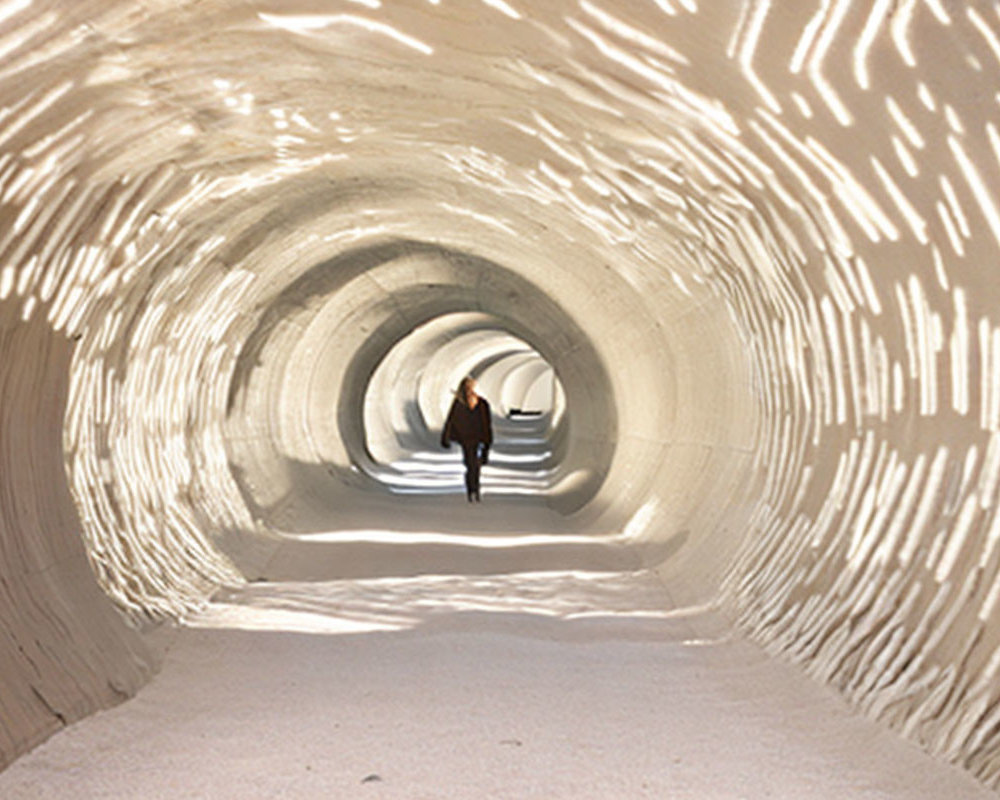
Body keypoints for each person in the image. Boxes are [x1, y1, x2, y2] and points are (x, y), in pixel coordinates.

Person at [441, 376, 493, 502]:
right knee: (474, 464)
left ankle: (472, 488)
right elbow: (486, 423)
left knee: (470, 463)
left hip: (468, 439)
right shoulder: (480, 404)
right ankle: (474, 487)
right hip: (475, 438)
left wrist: (446, 437)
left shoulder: (461, 404)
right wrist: (487, 441)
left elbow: (451, 421)